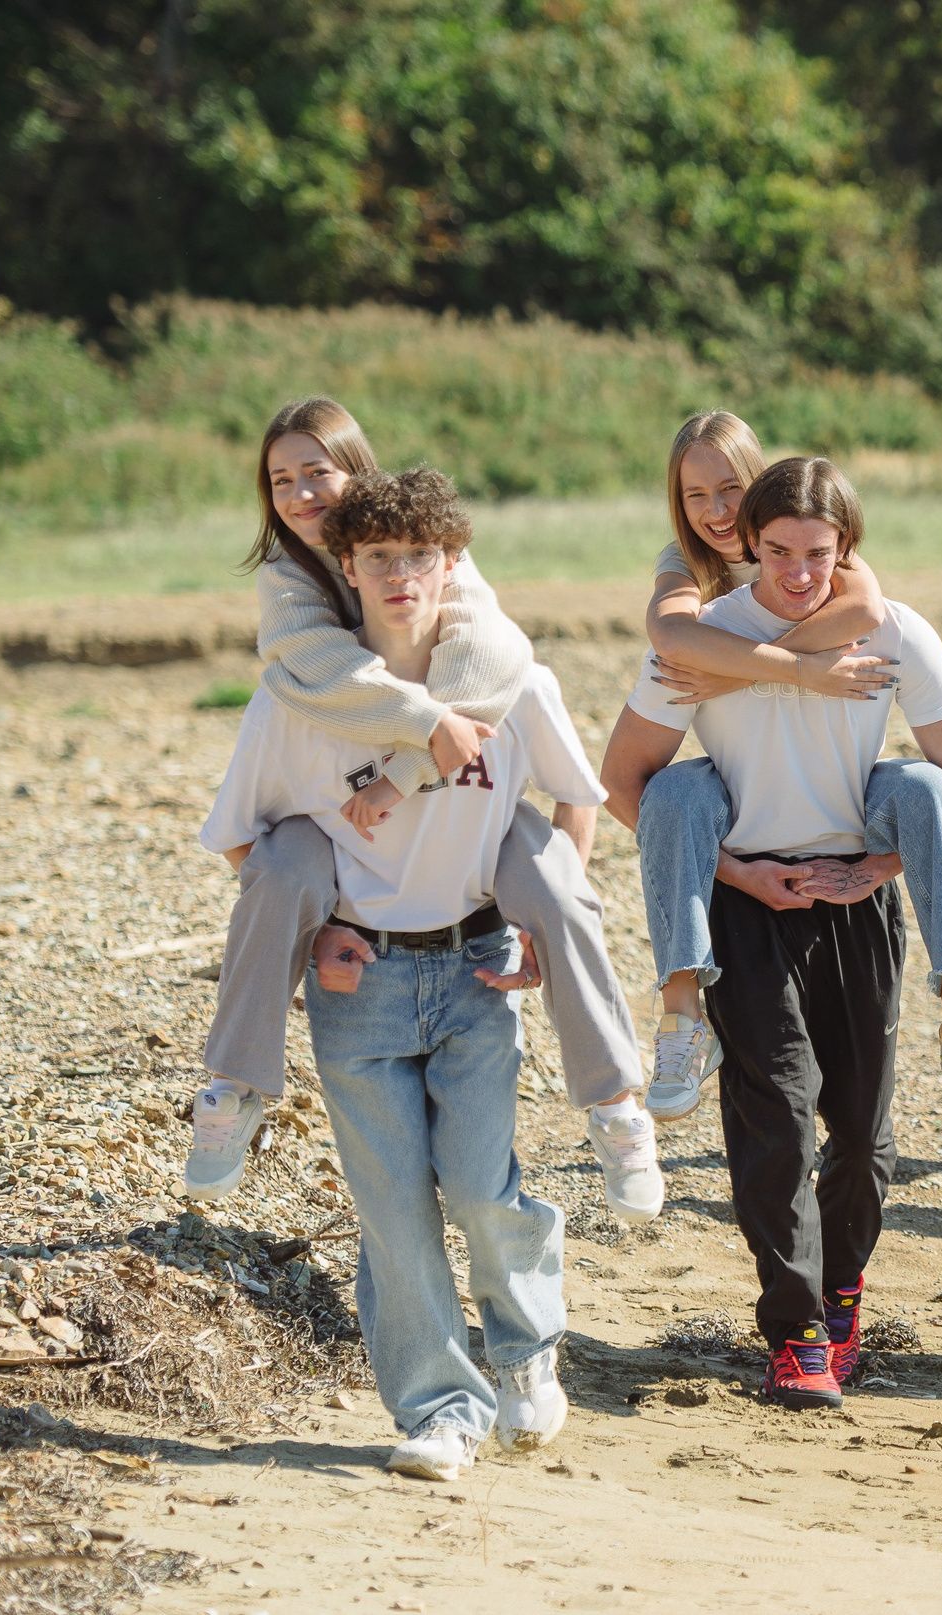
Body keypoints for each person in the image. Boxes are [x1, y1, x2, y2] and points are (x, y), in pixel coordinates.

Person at [200, 468, 604, 1481]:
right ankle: (439, 1410)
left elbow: (576, 802)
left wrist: (528, 919)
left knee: (478, 1188)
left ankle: (525, 1353)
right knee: (392, 1211)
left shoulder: (515, 684)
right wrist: (320, 933)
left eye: (418, 559)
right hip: (359, 986)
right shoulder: (297, 698)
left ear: (452, 566)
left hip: (473, 971)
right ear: (346, 569)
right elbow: (241, 840)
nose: (399, 577)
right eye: (378, 560)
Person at [190, 398, 654, 1227]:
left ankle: (618, 1104)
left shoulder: (434, 549)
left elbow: (494, 657)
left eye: (318, 472)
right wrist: (423, 730)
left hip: (464, 836)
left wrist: (405, 774)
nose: (301, 493)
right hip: (353, 804)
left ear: (359, 471)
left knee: (552, 876)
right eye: (281, 479)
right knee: (287, 858)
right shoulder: (288, 583)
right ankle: (233, 1086)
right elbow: (319, 670)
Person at [597, 457, 942, 1409]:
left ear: (845, 550)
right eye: (777, 552)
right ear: (748, 546)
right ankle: (797, 1330)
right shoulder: (705, 640)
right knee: (773, 1112)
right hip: (745, 906)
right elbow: (626, 784)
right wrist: (735, 870)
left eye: (818, 553)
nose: (798, 572)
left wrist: (882, 866)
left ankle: (843, 1287)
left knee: (862, 1135)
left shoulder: (894, 630)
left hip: (855, 905)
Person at [599, 412, 942, 1124]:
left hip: (845, 810)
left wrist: (879, 866)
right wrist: (790, 673)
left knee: (925, 784)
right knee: (679, 788)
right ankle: (680, 1019)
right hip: (743, 814)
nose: (717, 511)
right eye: (694, 495)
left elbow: (865, 607)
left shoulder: (835, 557)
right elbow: (672, 636)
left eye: (733, 488)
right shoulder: (686, 570)